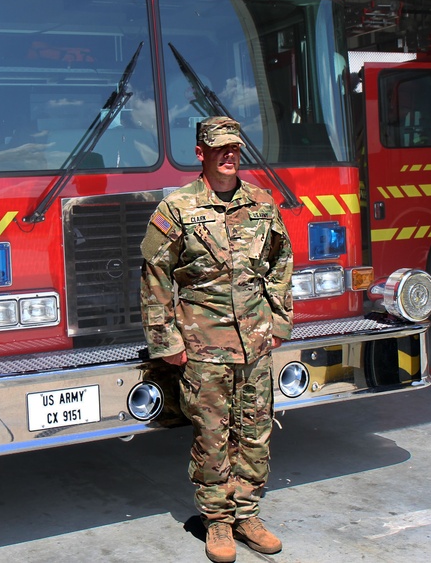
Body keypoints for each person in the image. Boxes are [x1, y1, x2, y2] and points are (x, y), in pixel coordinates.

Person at [139, 116, 293, 563]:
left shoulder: (262, 203)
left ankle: (247, 514)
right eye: (220, 149)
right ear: (201, 154)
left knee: (255, 431)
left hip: (256, 342)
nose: (229, 156)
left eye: (235, 149)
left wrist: (280, 321)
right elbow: (155, 277)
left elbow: (280, 264)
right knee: (211, 435)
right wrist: (166, 339)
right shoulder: (177, 209)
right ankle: (218, 522)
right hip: (203, 344)